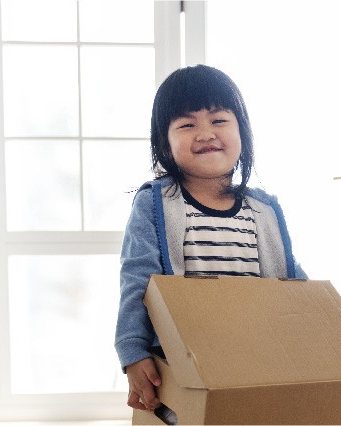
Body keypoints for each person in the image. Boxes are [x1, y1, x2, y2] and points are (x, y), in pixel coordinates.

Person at [114, 64, 307, 413]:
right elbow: (137, 279)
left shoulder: (263, 209)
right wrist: (132, 351)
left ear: (243, 133)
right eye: (187, 125)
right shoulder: (156, 203)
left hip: (256, 360)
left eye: (219, 120)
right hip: (181, 363)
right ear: (164, 142)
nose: (205, 134)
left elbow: (292, 280)